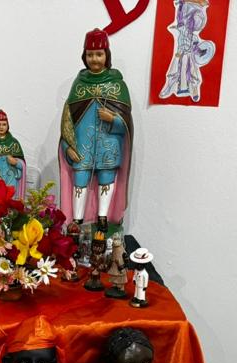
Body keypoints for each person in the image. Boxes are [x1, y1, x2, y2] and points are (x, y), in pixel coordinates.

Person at [59, 29, 134, 231]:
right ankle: (77, 220)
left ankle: (103, 217)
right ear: (84, 56)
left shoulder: (117, 85)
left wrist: (113, 119)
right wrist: (67, 147)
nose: (94, 59)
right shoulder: (78, 85)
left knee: (106, 179)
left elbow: (126, 124)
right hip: (82, 147)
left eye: (99, 54)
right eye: (90, 54)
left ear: (106, 55)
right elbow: (67, 121)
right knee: (80, 180)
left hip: (108, 146)